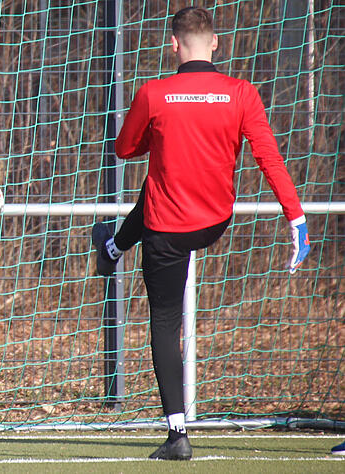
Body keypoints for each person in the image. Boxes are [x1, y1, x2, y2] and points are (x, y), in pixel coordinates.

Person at [91, 7, 310, 460]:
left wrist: (159, 132)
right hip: (213, 222)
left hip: (168, 230)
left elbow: (125, 149)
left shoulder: (154, 93)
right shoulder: (241, 93)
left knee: (165, 321)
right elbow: (268, 157)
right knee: (157, 188)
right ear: (215, 43)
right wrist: (296, 219)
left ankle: (177, 436)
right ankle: (112, 245)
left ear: (172, 45)